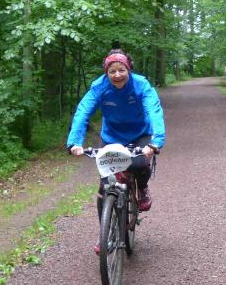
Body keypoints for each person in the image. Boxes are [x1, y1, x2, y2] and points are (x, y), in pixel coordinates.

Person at [66, 49, 166, 253]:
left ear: (129, 69)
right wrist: (74, 142)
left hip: (140, 134)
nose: (117, 75)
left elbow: (154, 110)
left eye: (122, 70)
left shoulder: (141, 84)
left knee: (139, 163)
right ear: (106, 73)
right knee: (105, 186)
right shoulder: (99, 87)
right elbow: (83, 112)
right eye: (112, 71)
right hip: (111, 136)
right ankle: (105, 234)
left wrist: (155, 142)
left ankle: (142, 187)